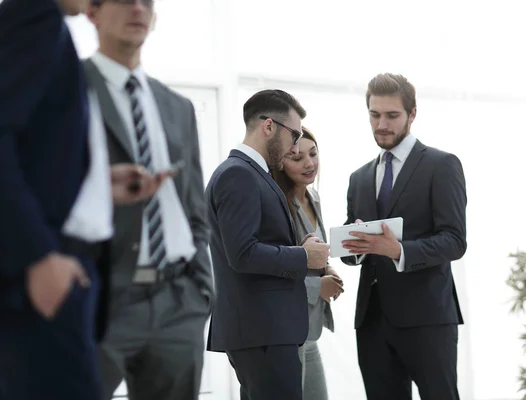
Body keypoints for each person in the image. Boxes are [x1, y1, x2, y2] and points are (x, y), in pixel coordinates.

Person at [0, 0, 168, 399]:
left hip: (59, 268)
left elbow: (31, 151)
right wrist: (37, 256)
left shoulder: (47, 26)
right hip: (45, 271)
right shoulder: (34, 18)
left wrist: (97, 185)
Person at [83, 1, 214, 399]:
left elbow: (193, 206)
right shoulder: (66, 87)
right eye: (124, 0)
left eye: (147, 2)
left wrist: (201, 289)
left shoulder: (178, 107)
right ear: (92, 12)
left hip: (177, 299)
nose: (137, 8)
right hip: (97, 299)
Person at [341, 73, 467, 400]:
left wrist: (399, 250)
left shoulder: (442, 166)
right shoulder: (359, 178)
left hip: (428, 319)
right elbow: (352, 252)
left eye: (392, 116)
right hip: (372, 322)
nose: (381, 124)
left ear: (412, 114)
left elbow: (454, 240)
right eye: (374, 114)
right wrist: (353, 246)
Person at [206, 90, 331, 400]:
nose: (295, 144)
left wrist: (298, 247)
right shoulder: (239, 174)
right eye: (294, 134)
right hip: (261, 330)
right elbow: (243, 254)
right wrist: (302, 256)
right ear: (269, 126)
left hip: (265, 330)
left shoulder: (252, 174)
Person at [272, 127, 343, 400]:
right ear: (280, 162)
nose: (309, 163)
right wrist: (318, 287)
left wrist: (329, 269)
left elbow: (314, 253)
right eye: (297, 157)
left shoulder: (313, 197)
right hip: (287, 332)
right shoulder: (278, 204)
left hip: (309, 331)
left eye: (313, 154)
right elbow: (274, 269)